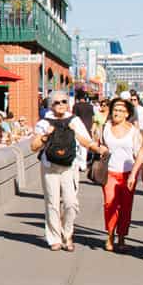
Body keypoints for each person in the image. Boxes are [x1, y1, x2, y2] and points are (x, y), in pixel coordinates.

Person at [29, 90, 93, 251]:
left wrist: (75, 132)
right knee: (53, 203)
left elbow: (87, 142)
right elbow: (33, 147)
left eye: (64, 101)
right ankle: (54, 238)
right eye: (57, 102)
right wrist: (45, 135)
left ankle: (67, 234)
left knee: (71, 203)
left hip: (70, 166)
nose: (61, 105)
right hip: (50, 165)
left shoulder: (75, 120)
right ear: (51, 105)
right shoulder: (44, 122)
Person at [94, 95, 143, 253]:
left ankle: (122, 237)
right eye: (115, 109)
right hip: (109, 172)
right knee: (110, 205)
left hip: (128, 173)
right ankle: (110, 236)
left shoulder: (134, 131)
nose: (116, 113)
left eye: (120, 110)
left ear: (127, 114)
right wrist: (100, 148)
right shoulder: (106, 127)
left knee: (125, 207)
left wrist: (140, 171)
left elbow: (139, 153)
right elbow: (98, 145)